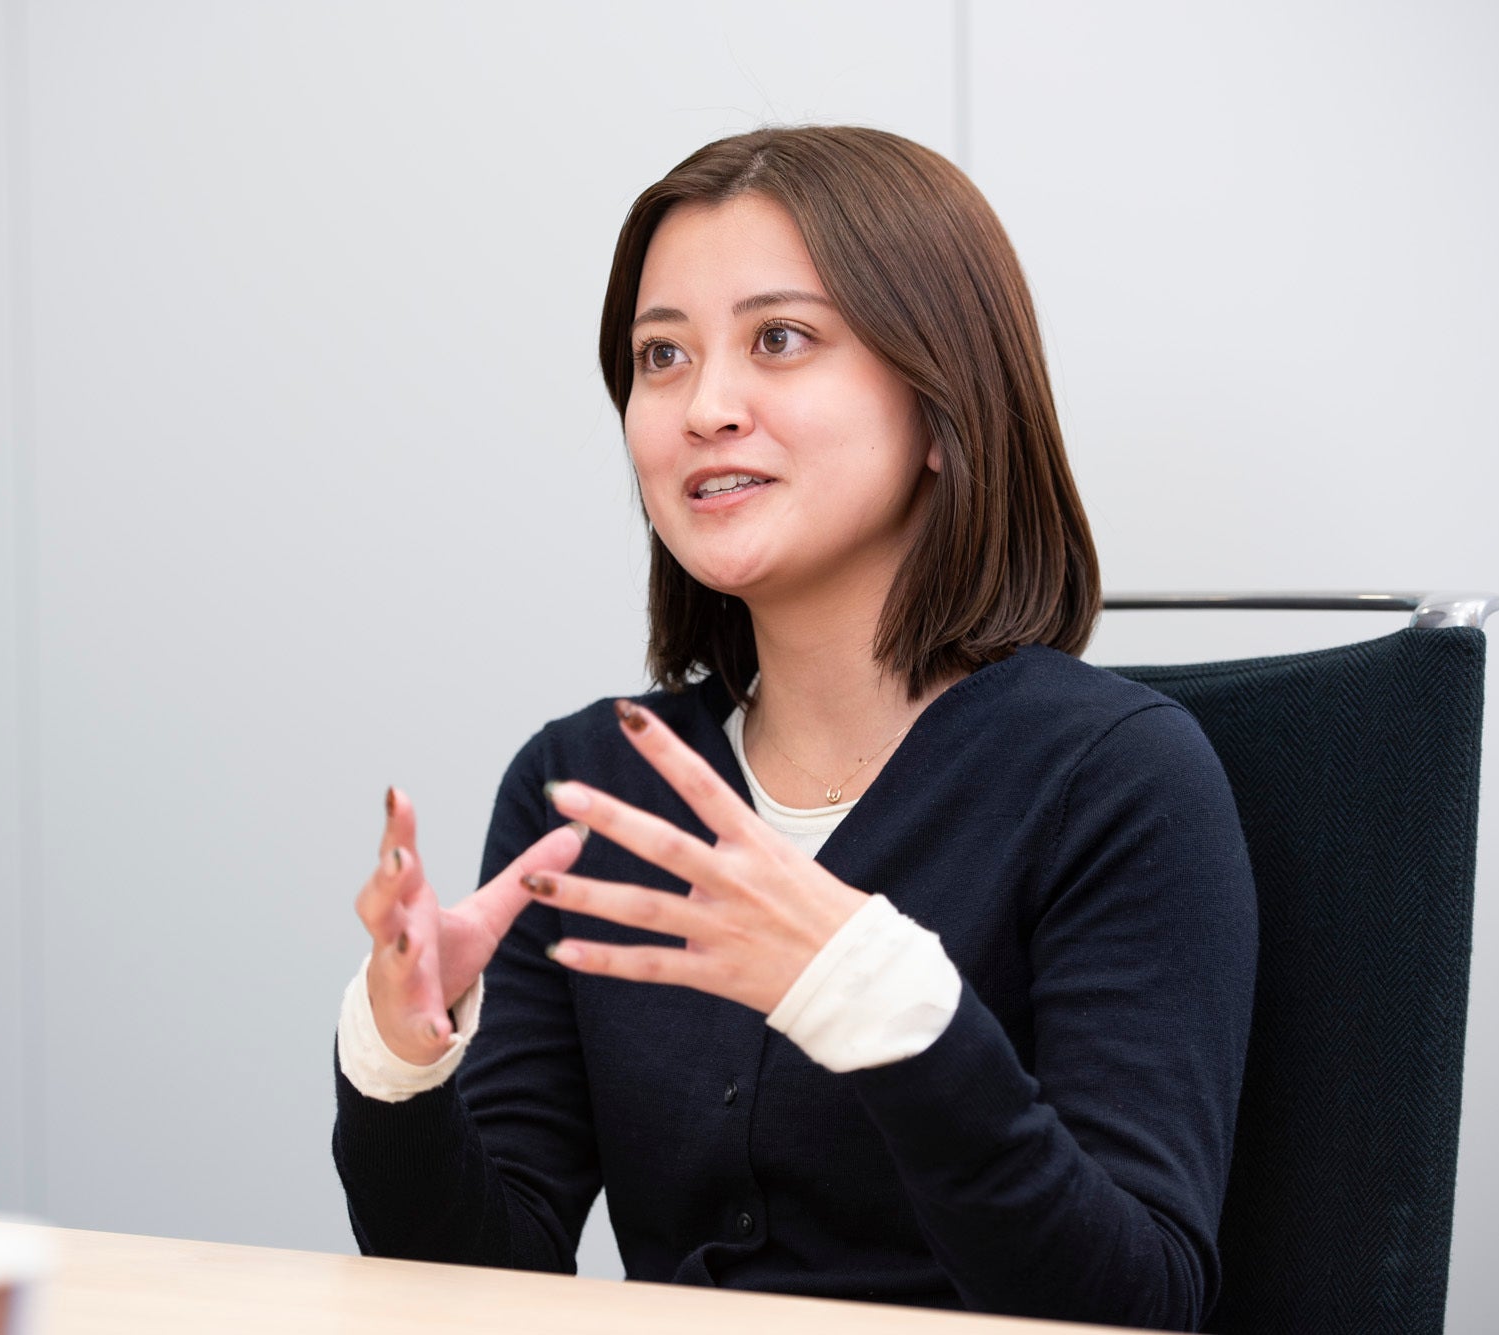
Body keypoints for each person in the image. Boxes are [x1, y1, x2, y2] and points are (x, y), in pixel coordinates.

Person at [331, 125, 1256, 1331]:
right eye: (660, 356)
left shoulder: (1115, 779)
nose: (704, 408)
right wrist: (401, 1057)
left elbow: (1135, 1303)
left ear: (941, 406)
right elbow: (488, 1282)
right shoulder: (586, 785)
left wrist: (871, 998)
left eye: (778, 339)